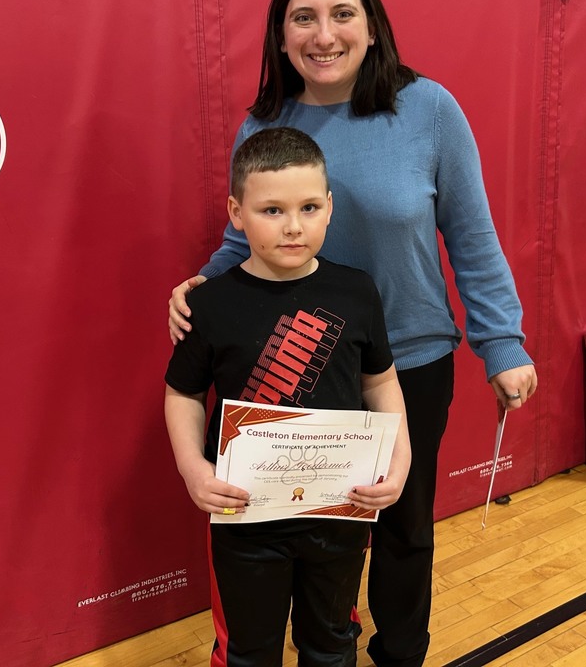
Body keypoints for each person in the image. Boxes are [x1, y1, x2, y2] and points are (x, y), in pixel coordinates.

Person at [168, 0, 538, 667]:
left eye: (342, 14)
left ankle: (399, 655)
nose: (324, 34)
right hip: (299, 363)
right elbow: (241, 232)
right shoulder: (265, 121)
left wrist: (505, 344)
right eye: (303, 18)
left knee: (399, 525)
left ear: (372, 28)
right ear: (281, 36)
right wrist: (198, 286)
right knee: (308, 536)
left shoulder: (428, 109)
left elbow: (471, 232)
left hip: (409, 360)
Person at [165, 126, 412, 667]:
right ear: (237, 212)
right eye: (271, 210)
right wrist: (192, 466)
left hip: (338, 512)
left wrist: (399, 461)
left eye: (307, 207)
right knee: (248, 652)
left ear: (329, 207)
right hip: (244, 517)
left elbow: (381, 382)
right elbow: (182, 392)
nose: (293, 227)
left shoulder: (357, 291)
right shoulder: (210, 304)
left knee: (330, 644)